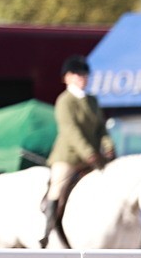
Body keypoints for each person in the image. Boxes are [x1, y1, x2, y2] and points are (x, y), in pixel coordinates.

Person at [42, 55, 114, 247]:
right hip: (69, 157)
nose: (82, 78)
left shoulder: (91, 100)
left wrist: (108, 146)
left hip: (94, 157)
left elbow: (101, 128)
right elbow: (70, 130)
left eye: (84, 74)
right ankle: (48, 229)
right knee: (58, 188)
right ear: (67, 77)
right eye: (78, 75)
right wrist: (89, 153)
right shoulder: (64, 101)